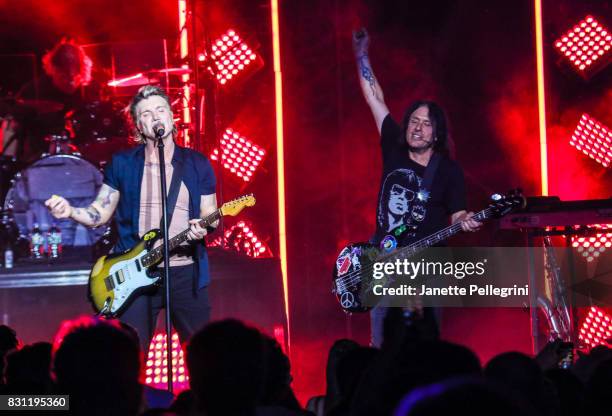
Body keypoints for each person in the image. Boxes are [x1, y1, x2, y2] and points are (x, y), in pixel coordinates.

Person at [45, 85, 217, 353]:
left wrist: (203, 227)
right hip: (135, 274)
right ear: (138, 125)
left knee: (204, 355)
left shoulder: (197, 163)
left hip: (185, 272)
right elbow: (99, 214)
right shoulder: (122, 163)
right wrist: (70, 212)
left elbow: (210, 213)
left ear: (172, 117)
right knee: (130, 357)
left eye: (161, 110)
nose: (156, 117)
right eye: (147, 113)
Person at [352, 28, 481, 348]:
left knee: (424, 344)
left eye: (426, 124)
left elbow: (457, 213)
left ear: (436, 134)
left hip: (426, 266)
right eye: (413, 121)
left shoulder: (447, 170)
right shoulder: (394, 148)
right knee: (381, 342)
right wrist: (361, 55)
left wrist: (467, 221)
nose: (417, 128)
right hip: (383, 259)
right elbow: (374, 98)